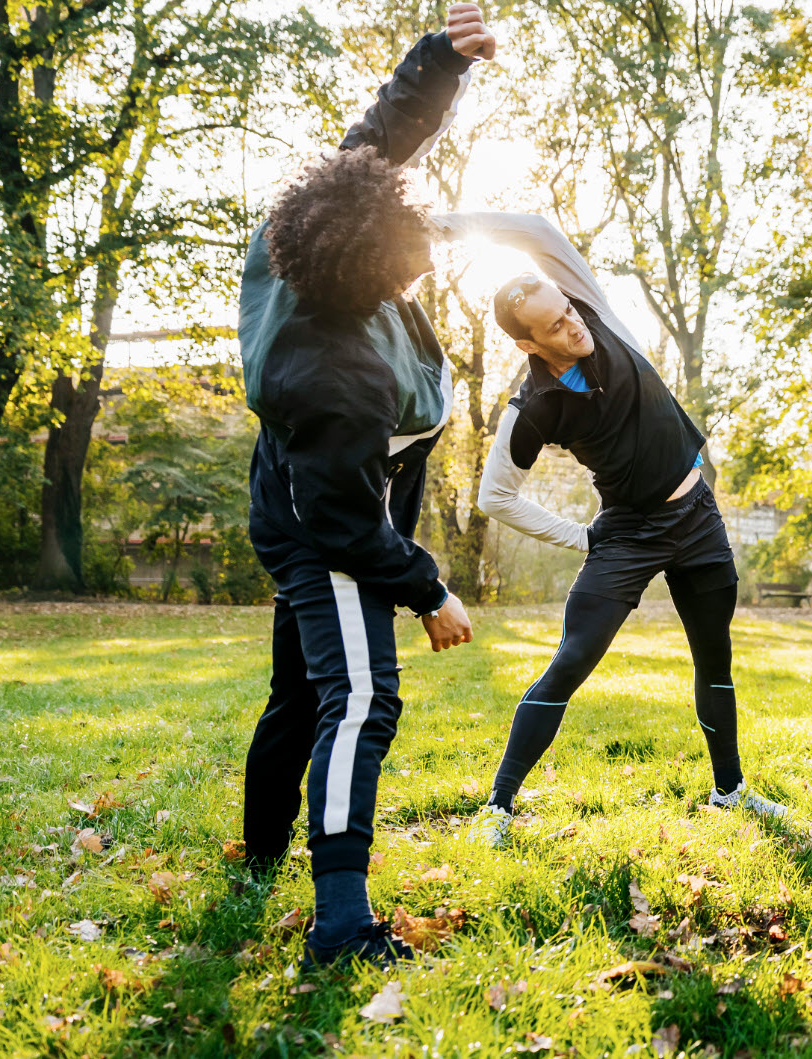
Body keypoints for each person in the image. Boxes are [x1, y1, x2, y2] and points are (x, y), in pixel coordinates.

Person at [236, 5, 494, 966]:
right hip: (323, 531)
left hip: (295, 499)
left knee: (301, 692)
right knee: (358, 700)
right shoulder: (338, 371)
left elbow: (373, 145)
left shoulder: (297, 233)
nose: (423, 253)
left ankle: (259, 852)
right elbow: (345, 518)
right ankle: (340, 924)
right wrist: (427, 588)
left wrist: (437, 61)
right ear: (368, 277)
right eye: (410, 254)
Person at [432, 210, 786, 848]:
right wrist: (581, 537)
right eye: (555, 327)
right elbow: (494, 496)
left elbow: (539, 233)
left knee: (715, 659)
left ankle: (730, 790)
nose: (572, 324)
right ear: (527, 345)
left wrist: (453, 224)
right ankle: (499, 805)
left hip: (698, 519)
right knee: (572, 661)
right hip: (626, 534)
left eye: (567, 308)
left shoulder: (591, 310)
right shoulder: (533, 406)